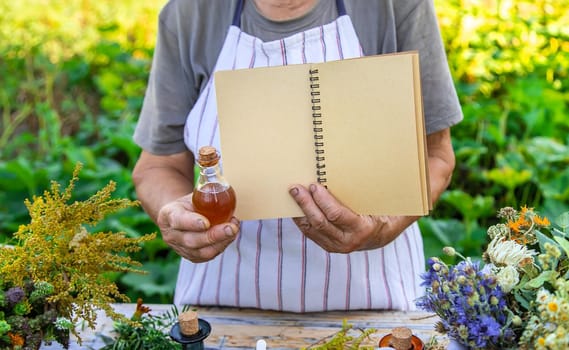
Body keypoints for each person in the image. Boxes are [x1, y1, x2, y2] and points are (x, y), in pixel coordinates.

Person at [132, 0, 462, 312]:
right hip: (222, 314)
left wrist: (383, 226)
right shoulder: (191, 13)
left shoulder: (394, 6)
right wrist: (176, 216)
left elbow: (435, 156)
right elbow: (159, 166)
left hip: (378, 312)